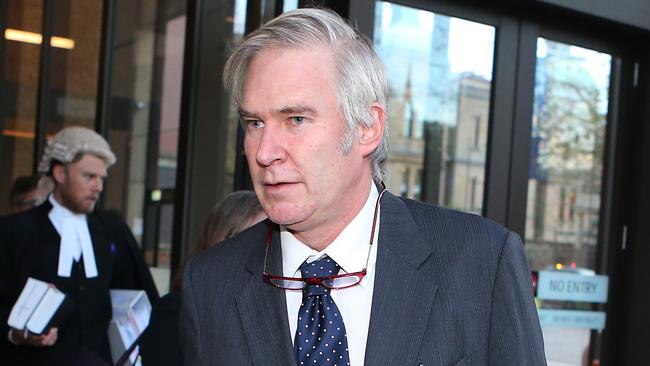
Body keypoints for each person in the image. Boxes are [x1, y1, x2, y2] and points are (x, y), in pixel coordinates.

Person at [180, 8, 546, 366]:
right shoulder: (210, 283)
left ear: (367, 127)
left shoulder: (480, 262)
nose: (265, 152)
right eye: (255, 123)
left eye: (295, 119)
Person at [0, 126, 159, 365]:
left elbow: (136, 295)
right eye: (88, 176)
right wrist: (16, 334)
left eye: (101, 178)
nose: (99, 187)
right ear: (60, 174)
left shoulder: (110, 230)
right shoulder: (14, 231)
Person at [140, 191, 265, 366]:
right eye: (248, 239)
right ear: (222, 241)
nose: (259, 252)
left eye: (267, 241)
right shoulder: (176, 310)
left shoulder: (276, 306)